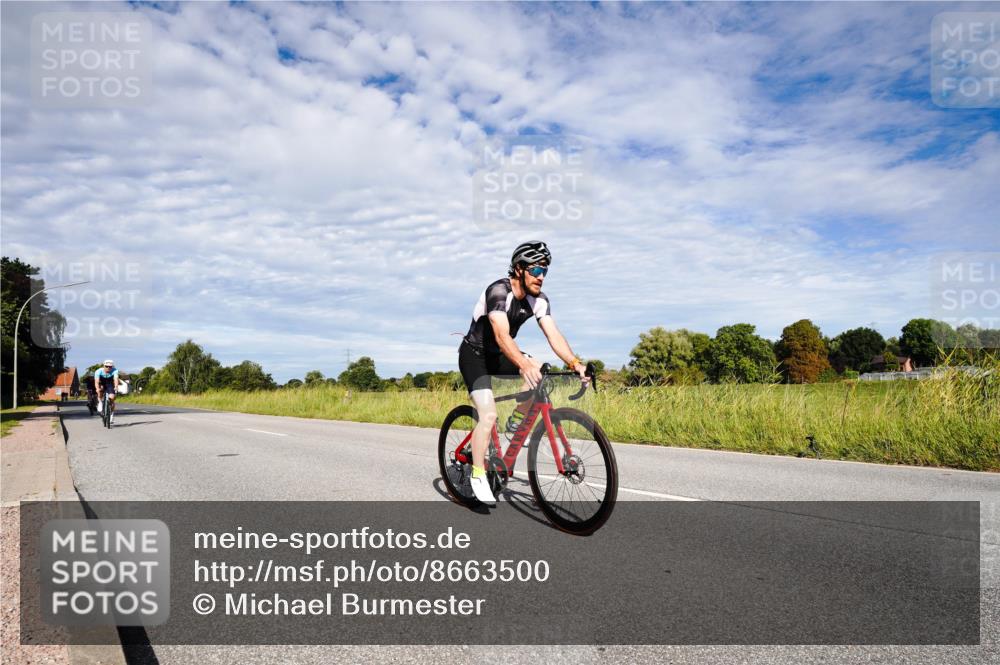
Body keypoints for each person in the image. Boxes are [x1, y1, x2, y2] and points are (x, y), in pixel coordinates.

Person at [459, 241, 589, 505]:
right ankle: (477, 473)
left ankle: (517, 420)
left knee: (540, 370)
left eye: (545, 270)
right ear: (519, 269)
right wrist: (522, 364)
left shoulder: (538, 300)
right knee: (488, 413)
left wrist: (575, 363)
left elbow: (553, 334)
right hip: (475, 357)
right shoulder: (498, 291)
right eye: (536, 269)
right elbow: (501, 334)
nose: (541, 276)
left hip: (500, 357)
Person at [94, 360, 120, 424]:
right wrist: (97, 388)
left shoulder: (115, 370)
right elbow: (96, 382)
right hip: (101, 384)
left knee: (112, 398)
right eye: (107, 366)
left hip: (110, 384)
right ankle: (100, 402)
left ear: (112, 367)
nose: (108, 368)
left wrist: (116, 387)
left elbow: (116, 379)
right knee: (99, 392)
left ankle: (112, 415)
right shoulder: (98, 371)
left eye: (110, 367)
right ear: (104, 366)